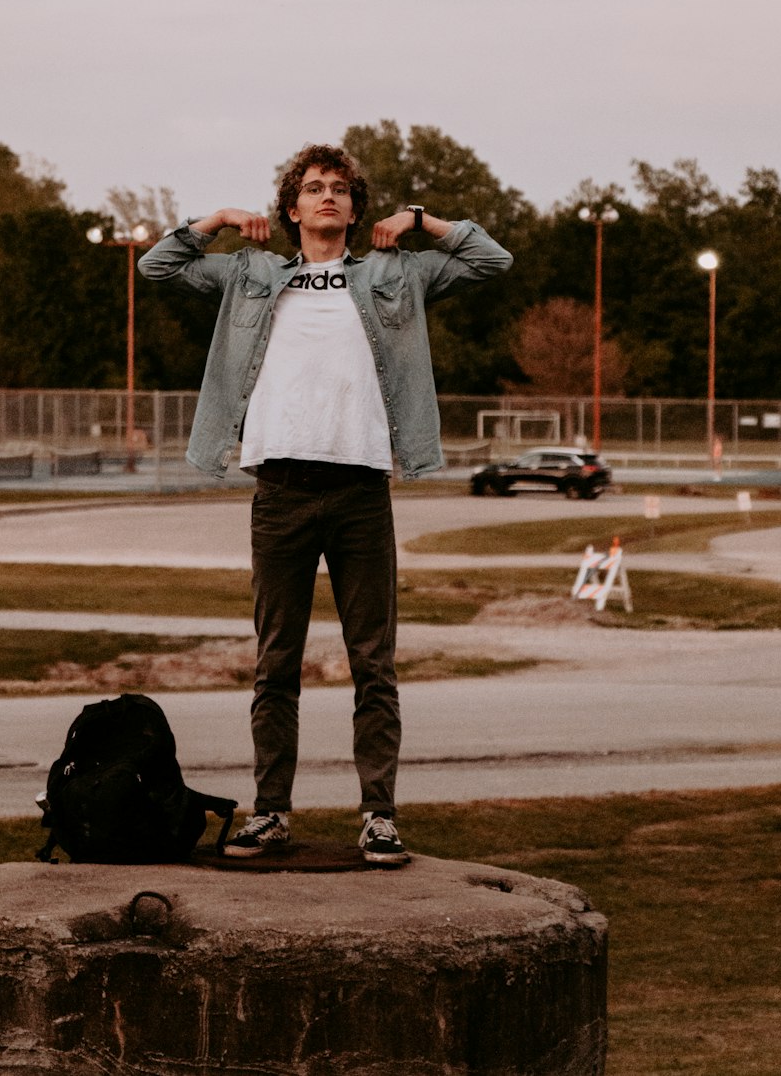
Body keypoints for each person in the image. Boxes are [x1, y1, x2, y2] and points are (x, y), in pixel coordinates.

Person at [138, 142, 513, 864]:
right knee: (275, 663)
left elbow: (489, 260)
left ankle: (378, 816)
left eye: (340, 189)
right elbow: (159, 265)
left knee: (373, 661)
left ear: (355, 207)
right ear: (291, 208)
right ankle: (272, 811)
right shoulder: (252, 275)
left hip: (361, 490)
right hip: (280, 490)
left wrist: (422, 221)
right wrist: (215, 219)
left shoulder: (394, 275)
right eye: (313, 188)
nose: (328, 198)